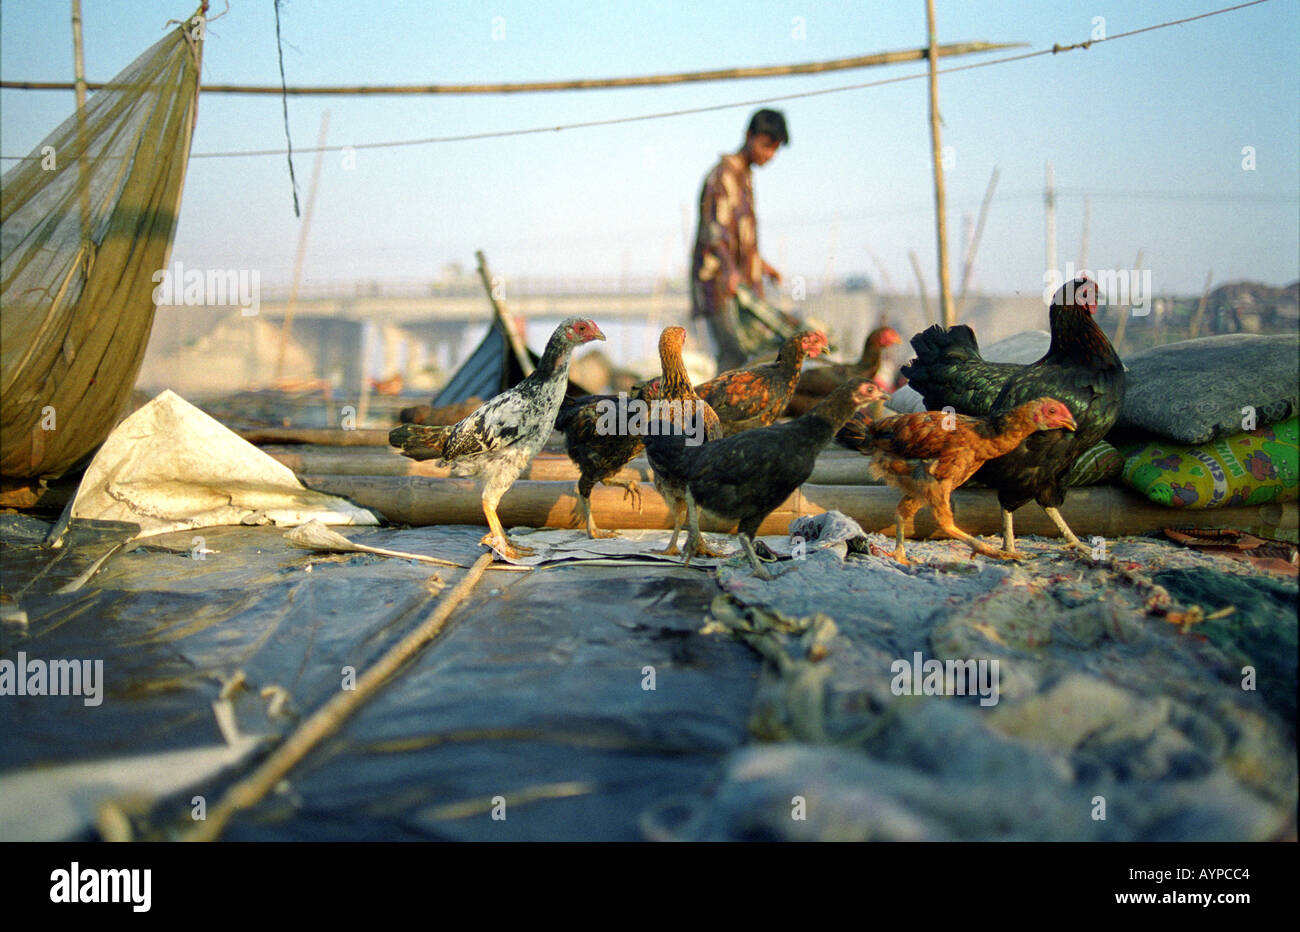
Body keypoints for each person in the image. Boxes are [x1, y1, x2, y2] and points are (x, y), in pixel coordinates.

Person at [690, 108, 789, 371]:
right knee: (732, 356)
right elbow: (713, 232)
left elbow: (739, 238)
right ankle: (715, 413)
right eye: (766, 145)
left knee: (748, 355)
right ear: (749, 136)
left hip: (739, 284)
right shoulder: (723, 175)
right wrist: (730, 269)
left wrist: (762, 265)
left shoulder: (744, 176)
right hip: (721, 283)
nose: (769, 155)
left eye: (775, 149)